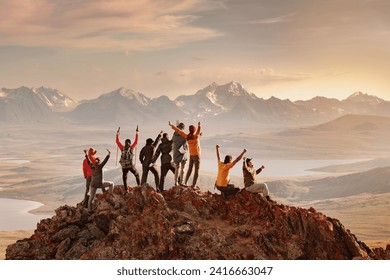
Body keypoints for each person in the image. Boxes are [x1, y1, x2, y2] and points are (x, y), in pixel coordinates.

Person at [169, 121, 201, 188]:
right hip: (184, 154)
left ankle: (176, 182)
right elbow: (196, 133)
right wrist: (199, 126)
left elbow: (179, 131)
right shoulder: (188, 137)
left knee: (178, 168)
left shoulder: (175, 135)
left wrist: (172, 125)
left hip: (176, 153)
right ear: (183, 128)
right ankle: (182, 182)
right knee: (184, 169)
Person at [116, 127, 141, 192]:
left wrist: (117, 134)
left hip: (124, 165)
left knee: (124, 176)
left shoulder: (122, 148)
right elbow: (136, 141)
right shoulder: (131, 147)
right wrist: (137, 132)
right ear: (130, 143)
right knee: (137, 174)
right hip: (130, 165)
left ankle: (126, 189)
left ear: (125, 143)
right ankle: (139, 186)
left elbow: (117, 141)